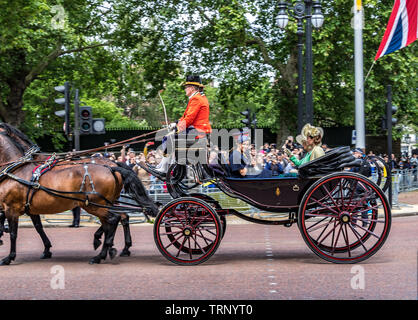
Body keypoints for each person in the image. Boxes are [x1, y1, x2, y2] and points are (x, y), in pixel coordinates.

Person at [141, 75, 212, 176]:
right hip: (197, 130)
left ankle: (164, 167)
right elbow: (186, 117)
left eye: (186, 87)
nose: (185, 89)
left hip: (197, 132)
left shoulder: (196, 99)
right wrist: (176, 123)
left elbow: (189, 118)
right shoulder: (198, 98)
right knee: (168, 137)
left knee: (168, 138)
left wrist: (178, 127)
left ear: (191, 88)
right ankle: (162, 165)